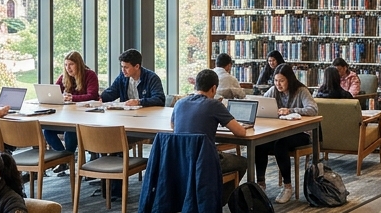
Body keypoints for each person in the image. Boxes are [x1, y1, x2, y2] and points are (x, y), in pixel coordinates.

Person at [170, 69, 249, 204]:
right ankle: (219, 202)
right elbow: (241, 132)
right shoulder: (214, 104)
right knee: (242, 162)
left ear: (196, 86)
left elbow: (173, 126)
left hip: (181, 158)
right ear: (213, 88)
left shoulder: (179, 103)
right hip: (204, 161)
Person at [256, 64, 317, 204]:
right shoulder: (273, 90)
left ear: (289, 79)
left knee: (280, 144)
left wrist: (290, 110)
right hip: (279, 130)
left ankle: (287, 186)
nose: (278, 84)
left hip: (300, 133)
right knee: (260, 144)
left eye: (282, 81)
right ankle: (260, 184)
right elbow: (262, 104)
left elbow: (313, 109)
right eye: (276, 81)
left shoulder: (301, 91)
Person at [44, 51, 100, 159]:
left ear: (78, 64)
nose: (68, 68)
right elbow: (55, 92)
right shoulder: (64, 77)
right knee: (47, 131)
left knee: (70, 131)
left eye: (71, 64)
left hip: (86, 117)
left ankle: (66, 159)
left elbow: (92, 95)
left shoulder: (89, 75)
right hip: (68, 116)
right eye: (66, 65)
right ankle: (65, 159)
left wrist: (72, 98)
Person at [100, 49, 165, 107]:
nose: (123, 70)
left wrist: (139, 102)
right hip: (126, 115)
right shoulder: (122, 77)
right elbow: (111, 92)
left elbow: (159, 99)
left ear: (136, 66)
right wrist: (98, 99)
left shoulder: (151, 78)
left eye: (126, 67)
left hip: (148, 115)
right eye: (122, 67)